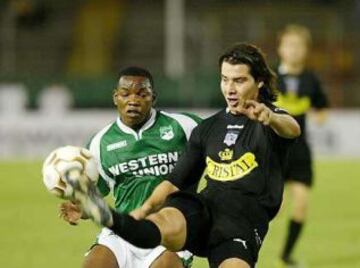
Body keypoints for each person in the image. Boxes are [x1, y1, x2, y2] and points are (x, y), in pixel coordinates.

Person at [64, 43, 301, 268]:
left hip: (241, 223)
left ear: (258, 82)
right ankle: (121, 222)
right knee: (162, 222)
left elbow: (292, 128)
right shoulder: (207, 128)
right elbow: (173, 182)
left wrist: (270, 117)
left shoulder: (267, 120)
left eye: (239, 81)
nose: (230, 88)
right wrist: (140, 212)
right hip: (203, 210)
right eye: (224, 79)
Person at [59, 66, 200, 268]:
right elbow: (94, 195)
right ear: (115, 97)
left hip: (170, 230)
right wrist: (82, 209)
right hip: (124, 230)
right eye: (125, 94)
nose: (133, 100)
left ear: (154, 97)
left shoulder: (184, 126)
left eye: (142, 94)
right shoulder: (100, 143)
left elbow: (221, 143)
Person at [275, 25, 329, 267]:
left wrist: (320, 114)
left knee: (301, 204)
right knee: (274, 205)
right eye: (289, 45)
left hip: (300, 151)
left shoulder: (311, 79)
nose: (294, 50)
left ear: (306, 51)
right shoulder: (270, 79)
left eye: (299, 46)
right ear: (280, 49)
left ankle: (287, 255)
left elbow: (321, 106)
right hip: (275, 150)